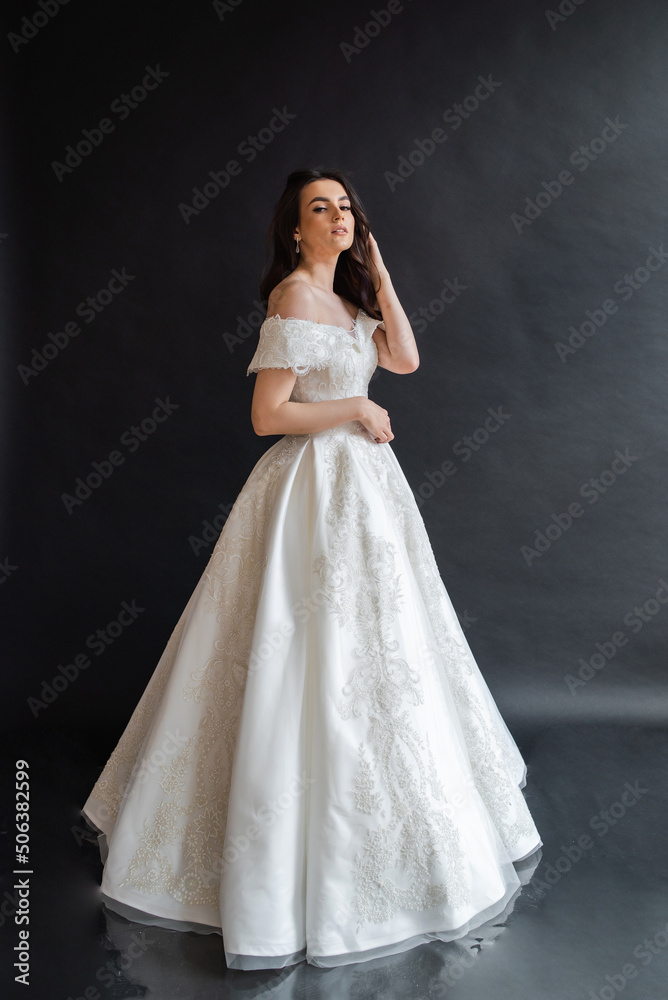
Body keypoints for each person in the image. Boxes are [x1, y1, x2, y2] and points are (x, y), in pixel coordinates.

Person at [82, 167, 542, 971]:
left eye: (345, 207)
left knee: (385, 649)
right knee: (300, 648)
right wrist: (354, 409)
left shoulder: (351, 302)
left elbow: (404, 358)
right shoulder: (293, 296)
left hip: (368, 496)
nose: (337, 217)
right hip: (313, 490)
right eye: (319, 209)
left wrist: (382, 270)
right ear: (296, 231)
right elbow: (269, 415)